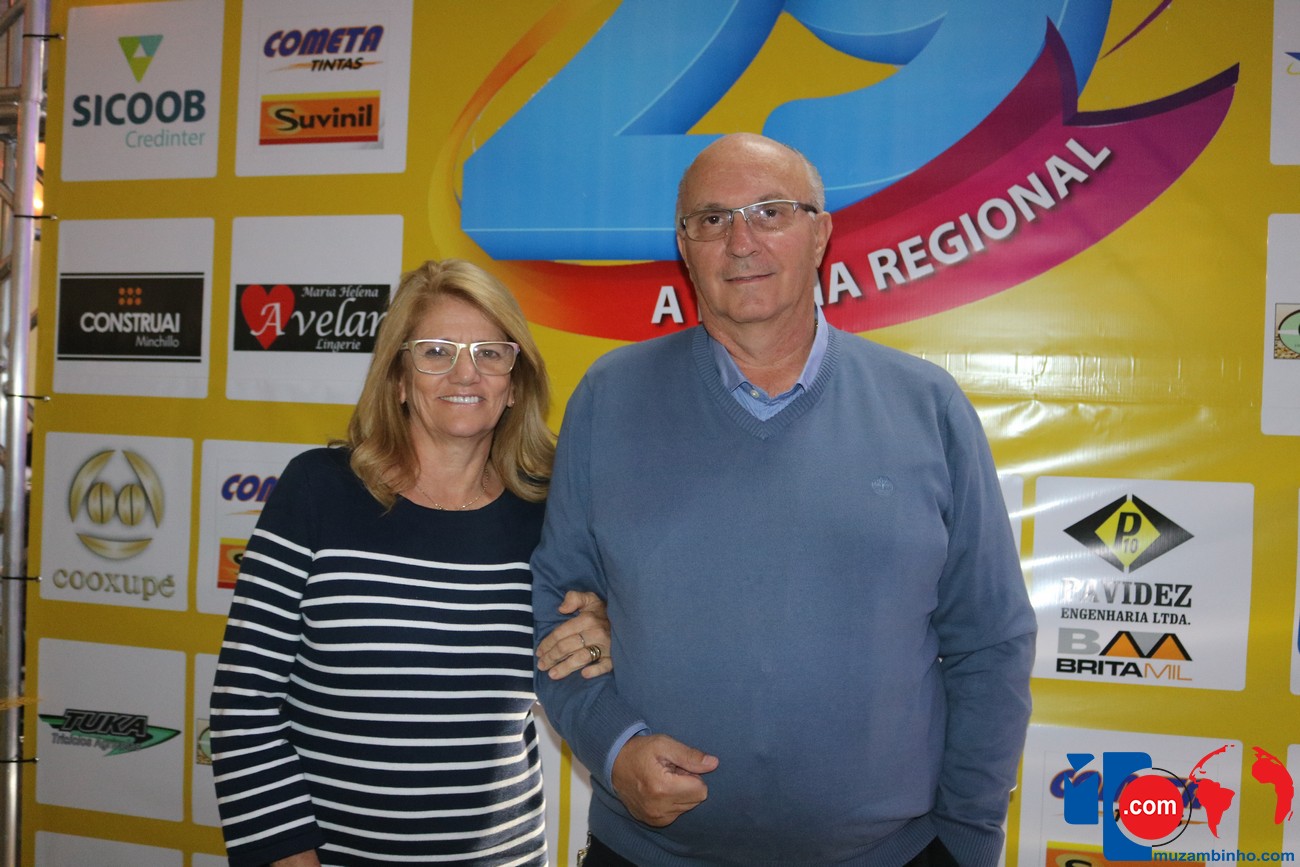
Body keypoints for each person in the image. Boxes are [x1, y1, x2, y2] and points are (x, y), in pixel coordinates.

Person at [531, 133, 1036, 866]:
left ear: (821, 233)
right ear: (684, 247)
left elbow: (989, 640)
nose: (741, 242)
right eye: (712, 219)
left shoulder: (927, 406)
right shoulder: (609, 397)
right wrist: (613, 747)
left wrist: (967, 839)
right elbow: (558, 615)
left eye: (771, 212)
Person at [211, 259, 614, 866]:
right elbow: (244, 704)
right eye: (436, 352)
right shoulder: (318, 490)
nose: (465, 373)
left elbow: (600, 649)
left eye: (489, 353)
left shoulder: (552, 513)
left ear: (514, 384)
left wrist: (608, 629)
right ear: (398, 378)